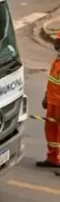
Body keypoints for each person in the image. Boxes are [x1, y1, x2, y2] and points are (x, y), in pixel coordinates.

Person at [38, 37, 60, 169]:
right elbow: (52, 81)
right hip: (52, 102)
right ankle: (53, 158)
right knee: (51, 132)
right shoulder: (57, 60)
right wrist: (46, 97)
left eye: (58, 41)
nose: (55, 44)